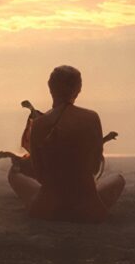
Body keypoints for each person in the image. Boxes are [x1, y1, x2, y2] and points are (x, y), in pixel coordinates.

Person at [7, 65, 125, 223]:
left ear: (50, 89)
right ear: (78, 90)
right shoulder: (91, 117)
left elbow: (40, 174)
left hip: (47, 209)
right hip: (87, 210)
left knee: (13, 174)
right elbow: (95, 168)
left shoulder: (39, 123)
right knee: (118, 179)